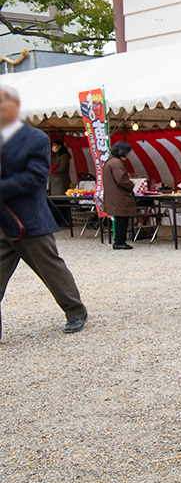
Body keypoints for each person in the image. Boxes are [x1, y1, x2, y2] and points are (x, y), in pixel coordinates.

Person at [0, 85, 88, 334]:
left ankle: (76, 311)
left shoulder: (36, 139)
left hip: (29, 220)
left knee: (51, 270)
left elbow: (35, 178)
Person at [102, 141, 137, 250]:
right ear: (121, 151)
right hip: (119, 196)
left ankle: (119, 241)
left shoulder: (110, 161)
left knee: (119, 219)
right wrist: (131, 184)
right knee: (122, 219)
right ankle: (119, 242)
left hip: (113, 196)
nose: (128, 155)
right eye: (127, 152)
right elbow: (121, 179)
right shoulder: (116, 163)